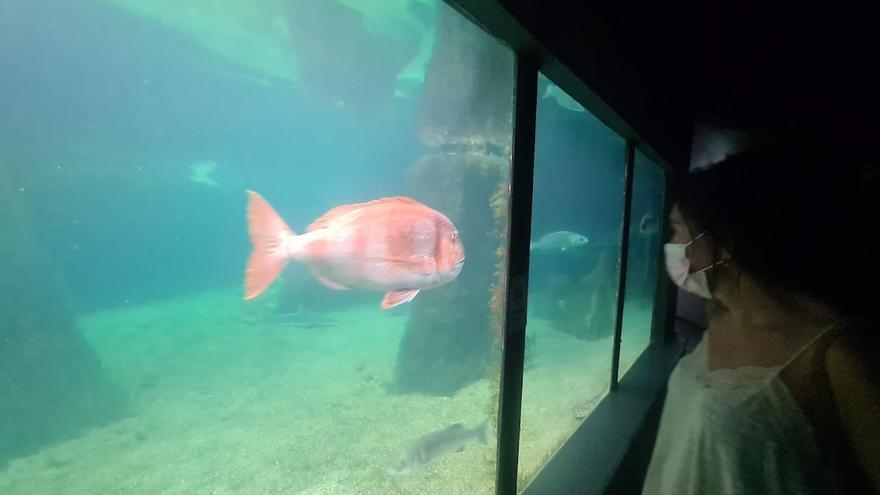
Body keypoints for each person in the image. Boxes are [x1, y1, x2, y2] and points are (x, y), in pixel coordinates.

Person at [642, 137, 880, 494]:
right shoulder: (721, 317)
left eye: (678, 229)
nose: (671, 244)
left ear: (725, 239)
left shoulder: (838, 353)